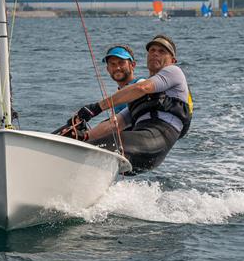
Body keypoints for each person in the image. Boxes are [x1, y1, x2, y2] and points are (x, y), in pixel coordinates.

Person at [59, 34, 193, 174]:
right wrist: (83, 136)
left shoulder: (174, 72)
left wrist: (95, 108)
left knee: (98, 148)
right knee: (89, 146)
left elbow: (142, 88)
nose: (155, 54)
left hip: (158, 137)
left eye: (161, 51)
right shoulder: (141, 98)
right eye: (152, 50)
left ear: (173, 60)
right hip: (140, 147)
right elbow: (115, 123)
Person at [102, 44, 143, 112]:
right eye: (113, 64)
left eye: (121, 63)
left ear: (132, 65)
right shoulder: (116, 97)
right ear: (108, 69)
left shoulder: (141, 84)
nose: (117, 68)